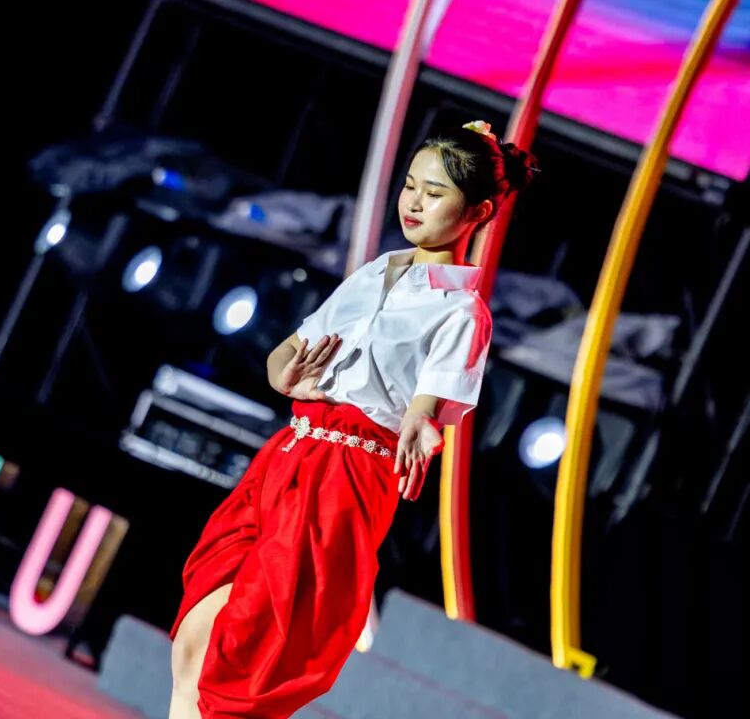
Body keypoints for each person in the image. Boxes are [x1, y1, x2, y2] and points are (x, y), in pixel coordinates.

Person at [168, 120, 539, 718]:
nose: (413, 202)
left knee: (248, 650)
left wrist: (420, 425)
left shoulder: (461, 311)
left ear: (478, 212)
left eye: (435, 193)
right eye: (411, 185)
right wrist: (285, 375)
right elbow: (286, 352)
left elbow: (428, 403)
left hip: (346, 475)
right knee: (197, 630)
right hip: (288, 453)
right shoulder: (375, 271)